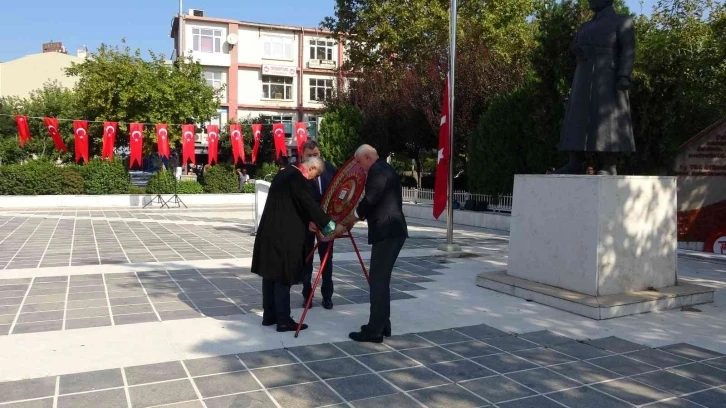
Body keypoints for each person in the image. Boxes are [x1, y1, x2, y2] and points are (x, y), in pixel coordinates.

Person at [251, 157, 346, 333]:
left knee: (269, 275)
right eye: (315, 175)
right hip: (283, 236)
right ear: (311, 168)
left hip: (269, 233)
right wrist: (332, 226)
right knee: (282, 277)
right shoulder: (297, 179)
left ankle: (269, 315)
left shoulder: (284, 174)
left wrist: (309, 221)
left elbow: (292, 204)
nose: (312, 179)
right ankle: (284, 321)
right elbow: (310, 206)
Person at [348, 145, 408, 343]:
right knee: (381, 280)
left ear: (367, 157)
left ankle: (374, 330)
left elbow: (371, 198)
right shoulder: (383, 168)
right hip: (390, 231)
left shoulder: (378, 170)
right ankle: (384, 324)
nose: (359, 167)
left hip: (388, 231)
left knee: (377, 280)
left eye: (359, 162)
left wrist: (353, 217)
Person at [299, 140, 338, 309]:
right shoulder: (298, 173)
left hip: (326, 222)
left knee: (327, 260)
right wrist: (307, 220)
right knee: (306, 261)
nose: (313, 158)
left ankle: (327, 296)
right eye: (309, 155)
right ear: (302, 156)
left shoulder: (330, 168)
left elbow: (338, 192)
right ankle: (307, 295)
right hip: (307, 223)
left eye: (316, 155)